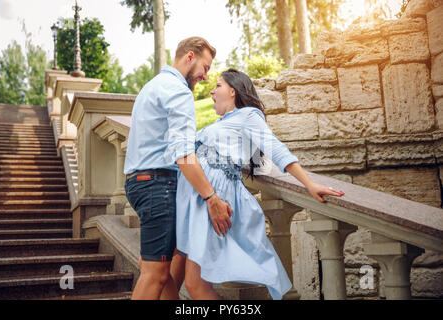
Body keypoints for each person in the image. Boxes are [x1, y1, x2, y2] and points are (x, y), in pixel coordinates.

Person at [176, 68, 345, 300]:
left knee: (195, 285)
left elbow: (275, 148)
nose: (212, 91)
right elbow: (255, 163)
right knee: (172, 277)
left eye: (218, 86)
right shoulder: (226, 122)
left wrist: (309, 184)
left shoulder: (249, 116)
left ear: (233, 91)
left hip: (214, 197)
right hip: (194, 198)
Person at [123, 37, 232, 300]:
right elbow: (183, 155)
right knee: (156, 274)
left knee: (160, 270)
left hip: (141, 183)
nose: (205, 77)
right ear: (190, 57)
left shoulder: (153, 86)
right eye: (205, 68)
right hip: (157, 187)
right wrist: (211, 198)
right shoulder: (178, 91)